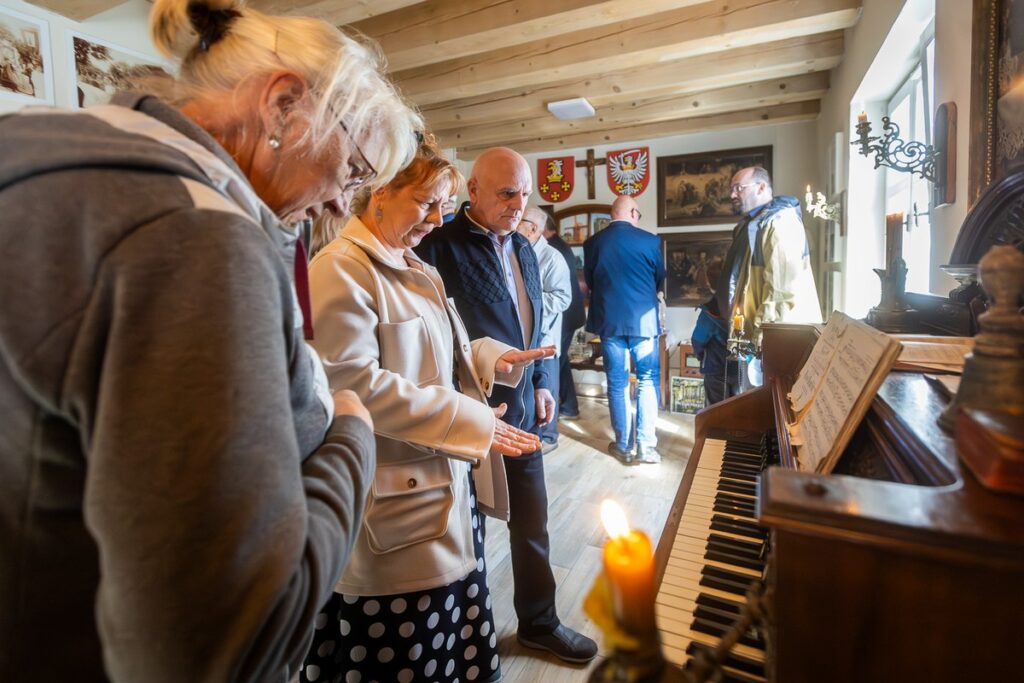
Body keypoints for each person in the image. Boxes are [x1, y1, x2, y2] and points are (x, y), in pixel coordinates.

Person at [0, 0, 422, 679]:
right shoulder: (199, 236)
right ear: (284, 103)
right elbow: (233, 644)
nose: (346, 204)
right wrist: (351, 437)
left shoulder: (46, 154)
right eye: (354, 170)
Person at [305, 139, 550, 683]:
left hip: (443, 498)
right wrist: (476, 423)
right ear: (380, 193)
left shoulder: (411, 261)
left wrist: (490, 357)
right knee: (410, 658)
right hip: (395, 519)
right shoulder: (340, 270)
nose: (438, 218)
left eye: (443, 203)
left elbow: (434, 355)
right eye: (425, 202)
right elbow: (354, 386)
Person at [415, 147, 598, 665]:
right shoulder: (437, 246)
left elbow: (534, 324)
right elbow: (431, 338)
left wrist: (541, 380)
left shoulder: (524, 246)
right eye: (506, 193)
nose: (519, 204)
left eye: (524, 193)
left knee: (533, 520)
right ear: (472, 191)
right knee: (456, 530)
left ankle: (539, 623)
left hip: (518, 413)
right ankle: (458, 636)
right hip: (459, 416)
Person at [692, 166, 822, 405]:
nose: (732, 195)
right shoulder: (753, 224)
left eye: (738, 188)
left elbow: (782, 293)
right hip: (748, 342)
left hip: (769, 346)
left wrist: (763, 344)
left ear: (761, 187)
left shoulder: (780, 222)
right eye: (731, 189)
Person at [583, 196, 666, 465]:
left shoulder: (593, 243)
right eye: (638, 214)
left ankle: (622, 445)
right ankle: (645, 445)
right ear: (631, 212)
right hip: (644, 323)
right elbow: (659, 279)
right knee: (647, 380)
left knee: (617, 384)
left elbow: (592, 281)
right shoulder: (651, 241)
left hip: (609, 321)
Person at [517, 207, 572, 449]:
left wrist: (531, 302)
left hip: (545, 337)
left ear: (534, 228)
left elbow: (563, 298)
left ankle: (548, 438)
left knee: (546, 387)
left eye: (521, 219)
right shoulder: (514, 251)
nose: (515, 221)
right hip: (519, 336)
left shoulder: (552, 258)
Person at [542, 213, 587, 418]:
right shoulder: (560, 244)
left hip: (564, 316)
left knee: (554, 363)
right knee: (560, 362)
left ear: (541, 228)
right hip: (570, 314)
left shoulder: (552, 249)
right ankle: (569, 405)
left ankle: (560, 406)